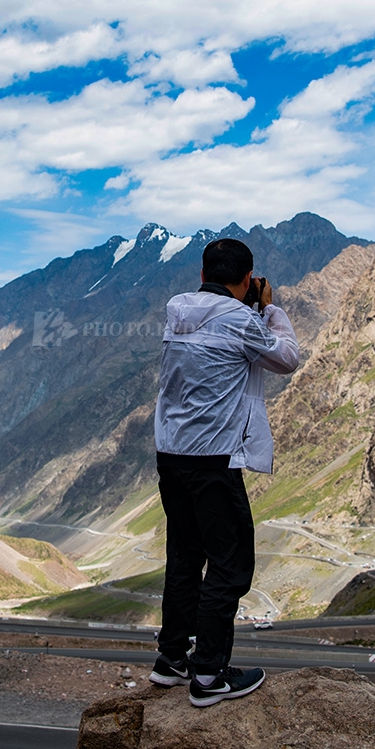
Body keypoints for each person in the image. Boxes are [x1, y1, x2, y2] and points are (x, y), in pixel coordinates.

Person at [147, 237, 299, 707]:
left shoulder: (178, 311)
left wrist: (249, 308)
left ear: (201, 275)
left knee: (186, 557)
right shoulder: (242, 320)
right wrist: (270, 309)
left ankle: (172, 659)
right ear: (249, 279)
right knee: (231, 567)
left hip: (171, 456)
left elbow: (224, 332)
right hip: (213, 459)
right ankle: (210, 674)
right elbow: (286, 358)